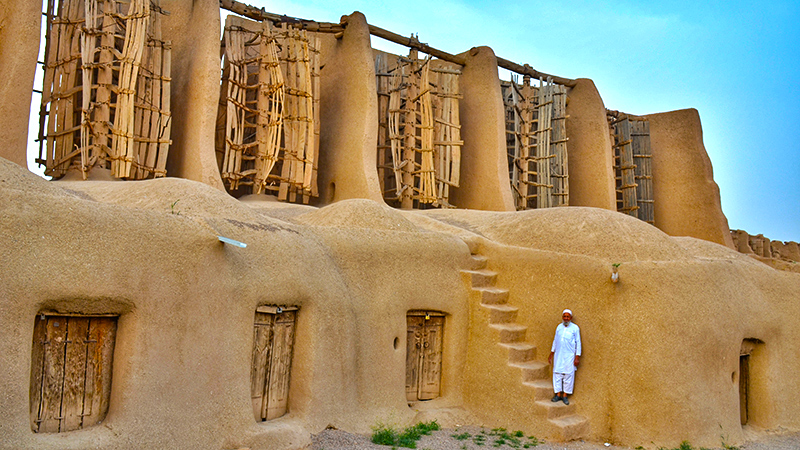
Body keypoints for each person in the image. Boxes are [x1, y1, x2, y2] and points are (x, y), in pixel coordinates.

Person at [548, 309, 581, 405]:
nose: (566, 318)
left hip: (569, 355)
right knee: (557, 373)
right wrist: (551, 353)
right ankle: (558, 394)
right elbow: (555, 340)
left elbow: (578, 343)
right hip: (559, 355)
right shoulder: (559, 327)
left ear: (570, 318)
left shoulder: (575, 328)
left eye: (567, 317)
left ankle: (565, 395)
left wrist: (577, 357)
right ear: (562, 317)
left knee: (568, 375)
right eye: (564, 316)